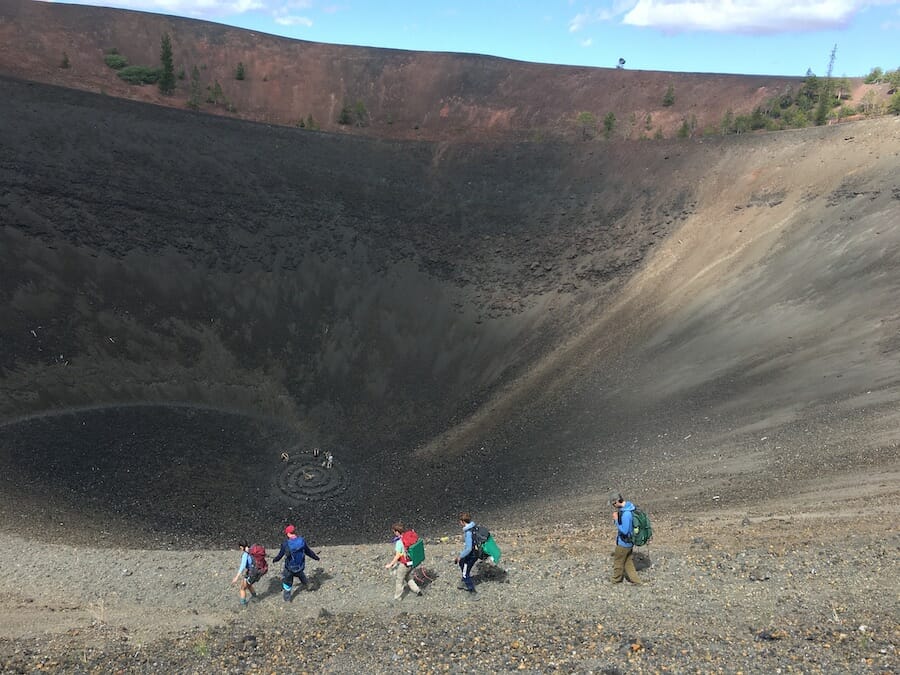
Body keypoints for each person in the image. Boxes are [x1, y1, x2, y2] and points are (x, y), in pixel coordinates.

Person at [272, 524, 320, 601]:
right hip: (300, 566)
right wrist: (316, 557)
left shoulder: (285, 544)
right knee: (301, 574)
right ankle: (307, 585)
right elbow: (308, 552)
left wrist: (275, 560)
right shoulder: (302, 541)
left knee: (287, 584)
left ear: (288, 533)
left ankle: (287, 600)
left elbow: (280, 555)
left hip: (289, 568)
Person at [384, 522, 423, 601]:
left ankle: (397, 597)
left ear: (397, 532)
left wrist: (391, 564)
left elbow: (398, 555)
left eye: (394, 532)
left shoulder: (399, 542)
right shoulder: (407, 537)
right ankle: (417, 590)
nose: (394, 533)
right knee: (407, 577)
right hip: (411, 562)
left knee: (399, 580)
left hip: (404, 564)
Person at [611, 493, 642, 584]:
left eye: (613, 504)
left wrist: (616, 520)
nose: (614, 506)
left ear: (617, 502)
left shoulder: (626, 514)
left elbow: (624, 530)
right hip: (629, 542)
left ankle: (616, 580)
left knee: (618, 561)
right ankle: (636, 581)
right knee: (628, 562)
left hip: (624, 543)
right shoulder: (630, 507)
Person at [453, 512, 479, 593]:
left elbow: (468, 549)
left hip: (472, 555)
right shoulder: (474, 527)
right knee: (461, 563)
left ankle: (472, 590)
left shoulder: (468, 532)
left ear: (462, 522)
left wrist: (459, 556)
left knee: (465, 574)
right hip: (476, 552)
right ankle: (465, 576)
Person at [230, 541, 257, 606]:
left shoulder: (245, 554)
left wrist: (236, 577)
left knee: (242, 588)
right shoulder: (252, 550)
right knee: (249, 585)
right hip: (257, 571)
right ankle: (255, 597)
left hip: (251, 573)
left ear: (242, 547)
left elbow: (242, 566)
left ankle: (243, 605)